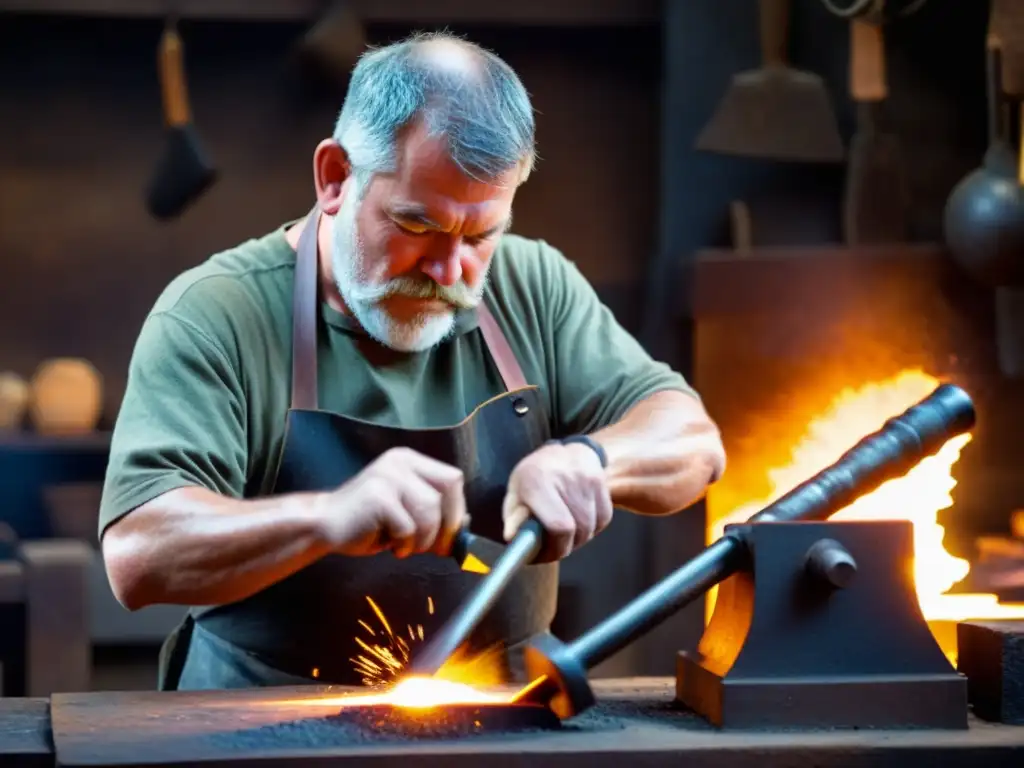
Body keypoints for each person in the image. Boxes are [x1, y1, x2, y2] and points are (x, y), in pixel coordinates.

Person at [99, 31, 726, 692]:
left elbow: (693, 444)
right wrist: (326, 518)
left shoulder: (531, 285)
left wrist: (594, 461)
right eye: (418, 226)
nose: (450, 270)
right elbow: (139, 555)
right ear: (336, 177)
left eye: (481, 234)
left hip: (497, 721)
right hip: (256, 726)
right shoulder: (218, 313)